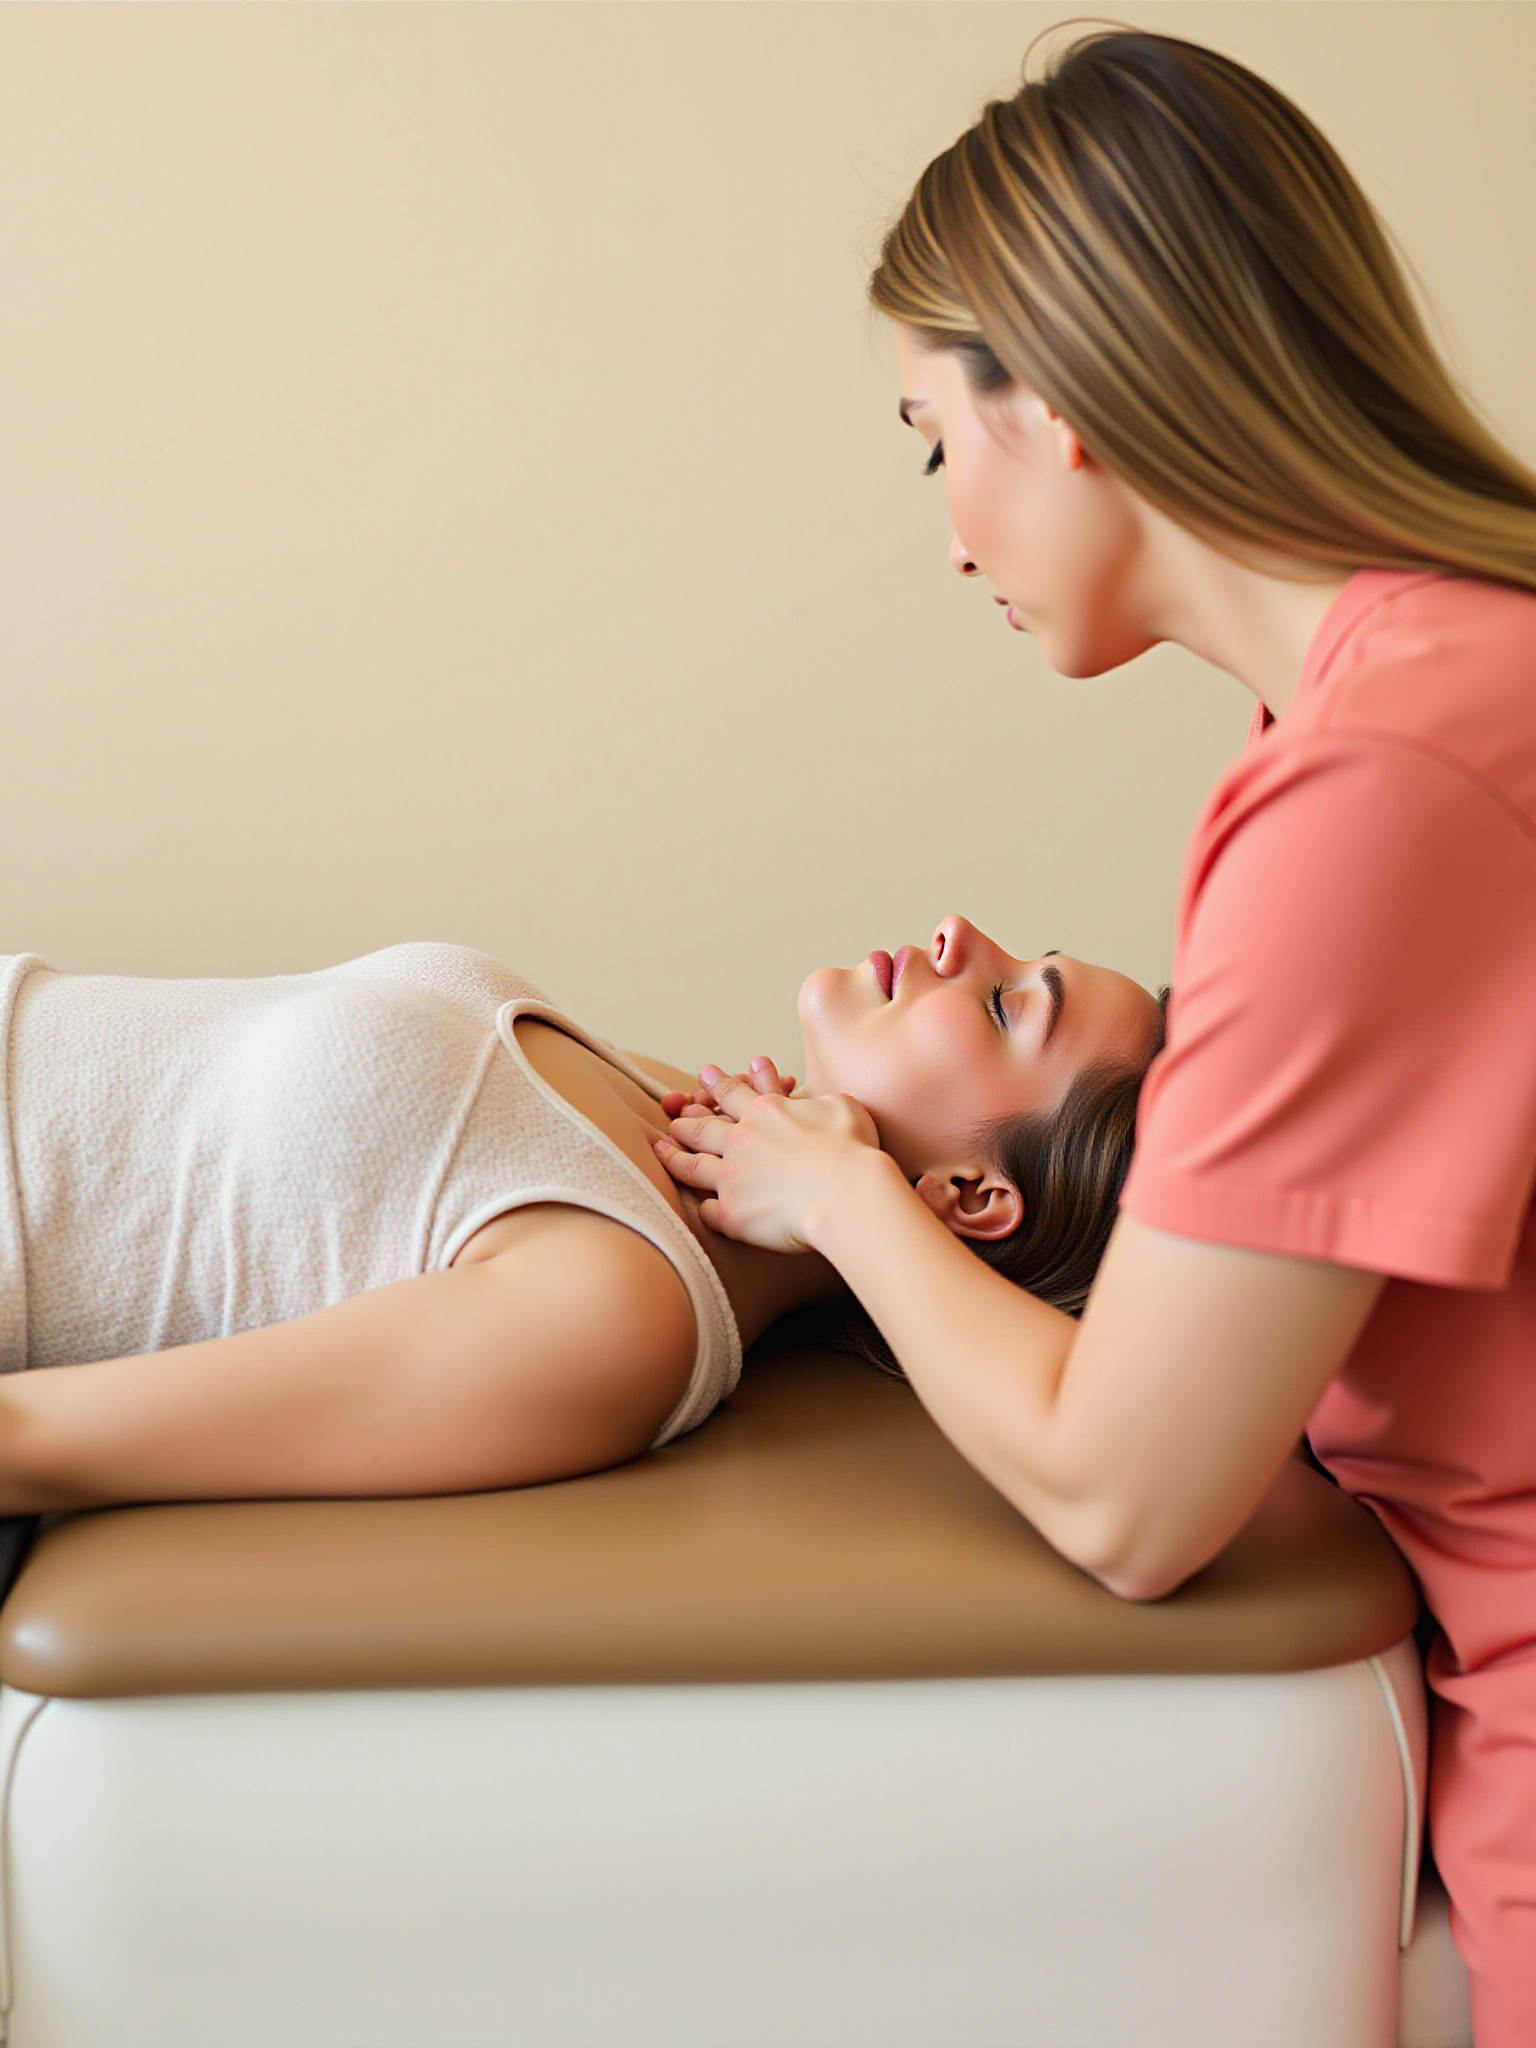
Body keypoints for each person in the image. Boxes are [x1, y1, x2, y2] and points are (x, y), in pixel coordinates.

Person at [654, 28, 1536, 2044]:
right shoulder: (1419, 703)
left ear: (1053, 405)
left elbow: (1132, 1499)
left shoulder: (1388, 782)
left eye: (924, 438)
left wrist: (847, 1198)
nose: (944, 521)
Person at [0, 926, 1158, 1517]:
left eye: (1010, 1002)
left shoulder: (619, 1314)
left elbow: (43, 1439)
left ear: (970, 1198)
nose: (960, 934)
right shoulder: (668, 1106)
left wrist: (844, 1196)